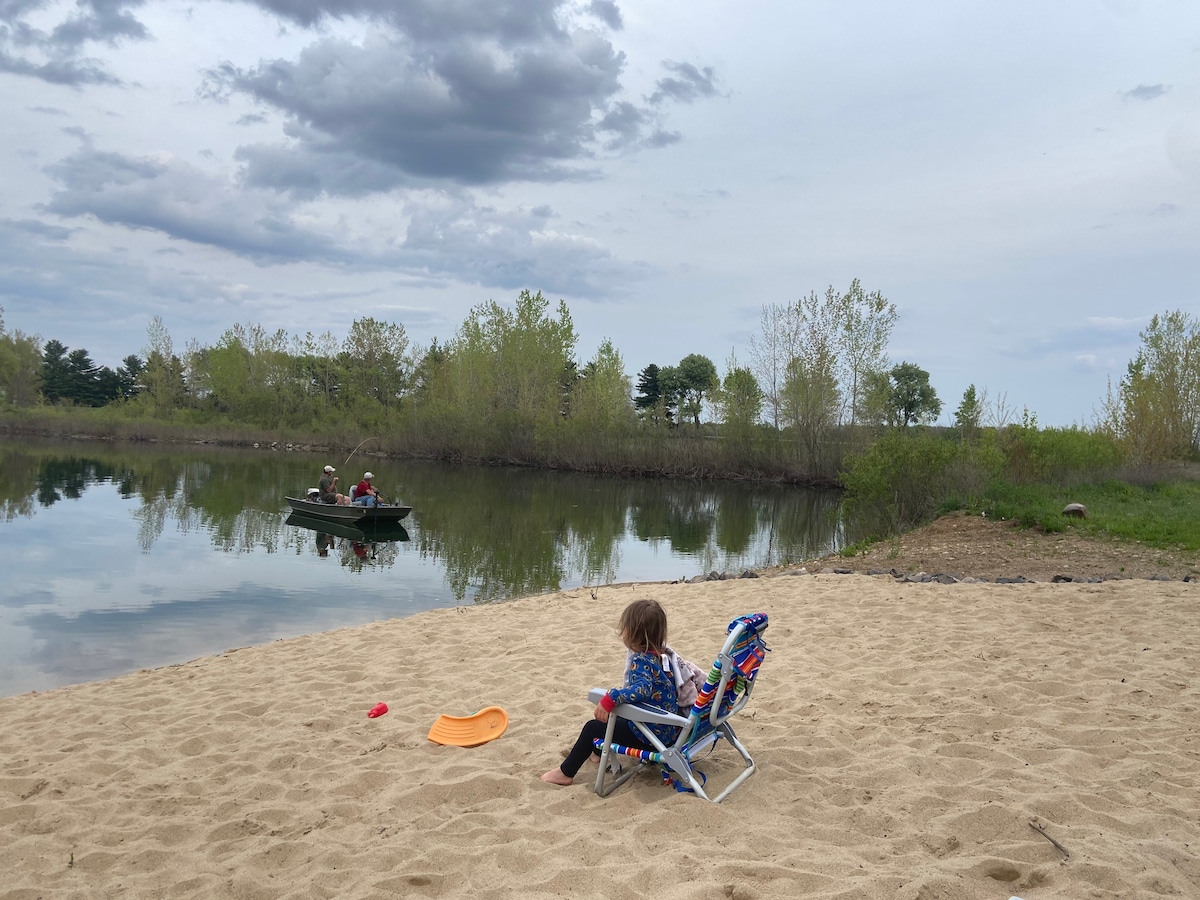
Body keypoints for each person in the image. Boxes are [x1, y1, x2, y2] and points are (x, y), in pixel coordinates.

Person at [541, 599, 679, 786]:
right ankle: (597, 754)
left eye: (625, 629)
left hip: (650, 736)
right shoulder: (664, 658)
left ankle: (565, 772)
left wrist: (610, 697)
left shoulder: (640, 661)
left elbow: (641, 689)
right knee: (611, 719)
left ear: (633, 635)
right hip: (667, 731)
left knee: (593, 727)